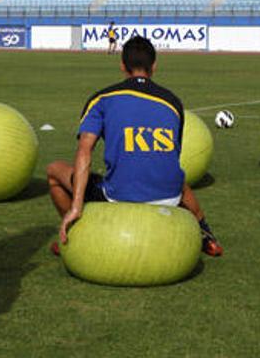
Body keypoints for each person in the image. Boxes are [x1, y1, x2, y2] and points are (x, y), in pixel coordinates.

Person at [48, 36, 223, 256]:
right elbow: (170, 155)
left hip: (121, 195)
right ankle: (207, 236)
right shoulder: (173, 102)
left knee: (54, 171)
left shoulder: (102, 98)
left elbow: (85, 152)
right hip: (170, 196)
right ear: (154, 66)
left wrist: (76, 205)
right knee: (179, 180)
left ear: (122, 65)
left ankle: (73, 239)